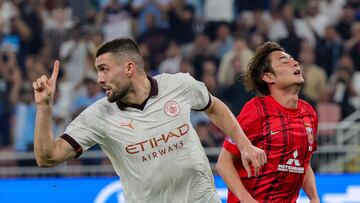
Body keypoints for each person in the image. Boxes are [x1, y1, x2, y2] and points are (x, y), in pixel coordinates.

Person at [32, 38, 267, 203]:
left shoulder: (179, 85)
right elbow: (47, 157)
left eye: (104, 69)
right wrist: (44, 108)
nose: (99, 78)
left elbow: (214, 107)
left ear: (129, 68)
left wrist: (244, 144)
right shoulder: (98, 116)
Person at [216, 42, 320, 203]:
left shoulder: (309, 114)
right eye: (284, 61)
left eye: (293, 59)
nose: (295, 62)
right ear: (268, 77)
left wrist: (314, 197)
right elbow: (223, 163)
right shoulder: (256, 110)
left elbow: (303, 164)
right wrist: (246, 199)